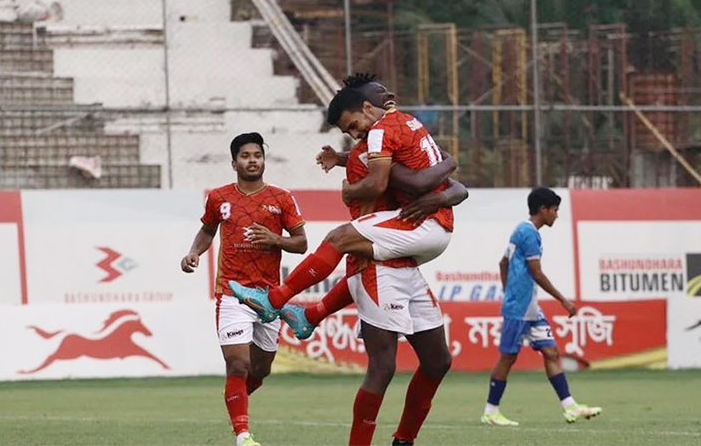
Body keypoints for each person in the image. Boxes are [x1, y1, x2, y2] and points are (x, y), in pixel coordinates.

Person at [229, 74, 455, 323]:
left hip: (417, 227)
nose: (388, 96)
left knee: (342, 244)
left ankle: (274, 301)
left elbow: (404, 182)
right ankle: (312, 315)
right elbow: (455, 186)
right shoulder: (406, 126)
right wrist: (339, 158)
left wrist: (350, 192)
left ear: (366, 105)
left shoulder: (382, 133)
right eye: (348, 131)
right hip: (423, 231)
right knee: (436, 361)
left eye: (353, 126)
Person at [180, 132, 307, 446]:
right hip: (232, 293)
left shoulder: (281, 198)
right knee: (238, 363)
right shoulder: (219, 197)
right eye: (246, 155)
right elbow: (208, 230)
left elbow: (302, 244)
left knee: (260, 370)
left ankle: (236, 399)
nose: (253, 160)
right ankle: (243, 434)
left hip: (269, 298)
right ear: (234, 162)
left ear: (263, 159)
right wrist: (195, 251)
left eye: (257, 155)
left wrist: (276, 240)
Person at [480, 187, 602, 426]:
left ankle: (570, 406)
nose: (556, 215)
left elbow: (503, 262)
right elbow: (536, 272)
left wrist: (508, 290)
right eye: (555, 210)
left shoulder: (521, 230)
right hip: (519, 308)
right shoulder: (529, 234)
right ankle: (491, 411)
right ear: (543, 210)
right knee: (508, 357)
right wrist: (563, 300)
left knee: (551, 351)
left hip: (529, 306)